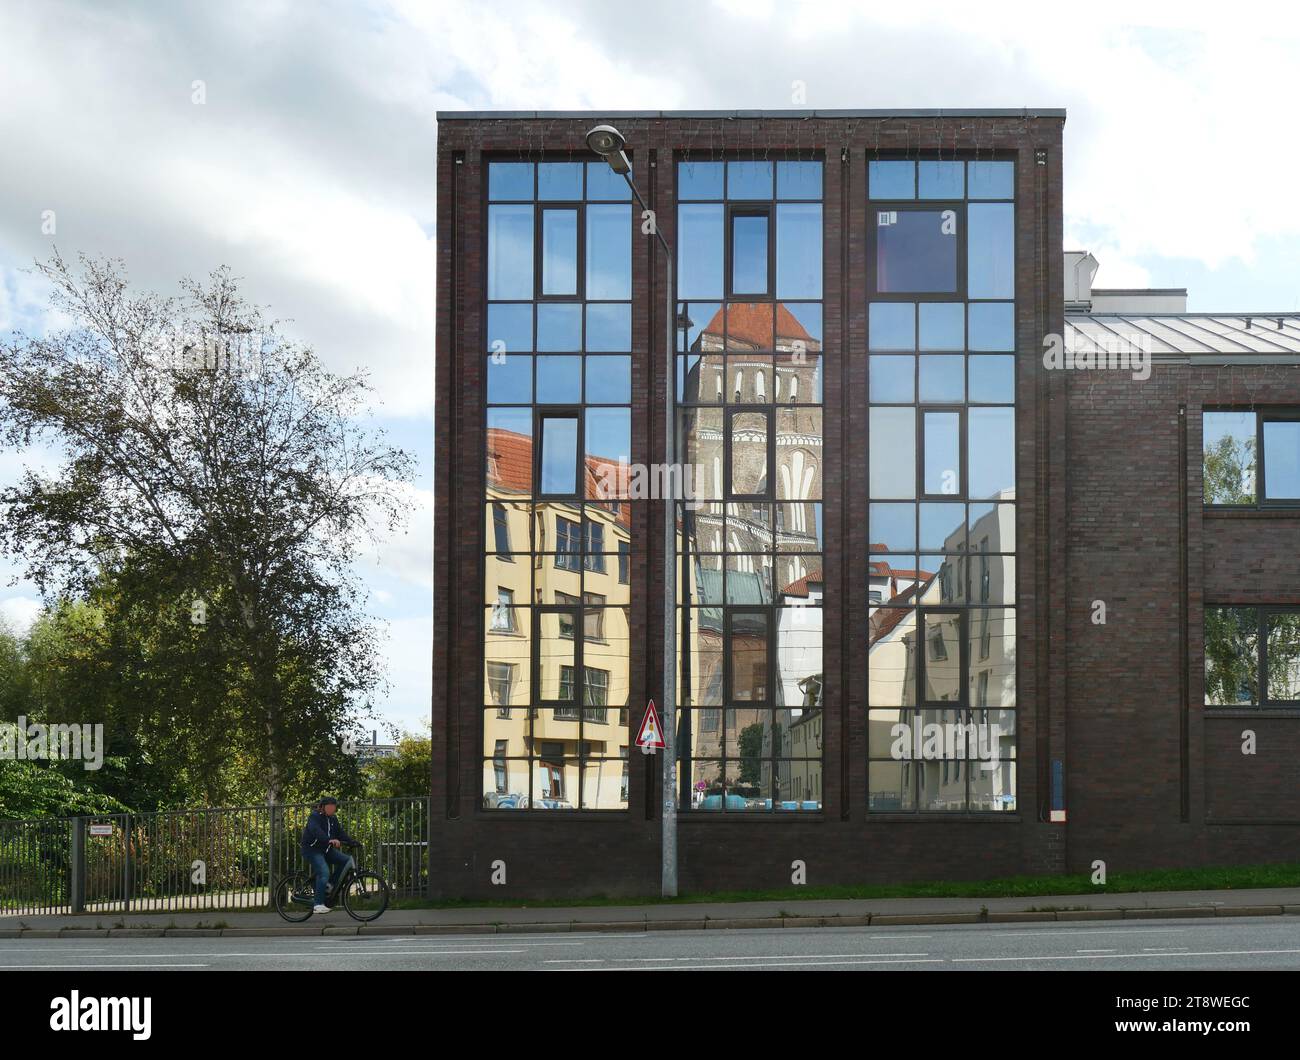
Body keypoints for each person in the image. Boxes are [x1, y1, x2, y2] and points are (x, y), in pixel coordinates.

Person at [300, 796, 357, 913]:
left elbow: (340, 833)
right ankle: (318, 904)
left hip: (326, 849)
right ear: (322, 807)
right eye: (329, 807)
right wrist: (328, 840)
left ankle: (329, 885)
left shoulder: (333, 819)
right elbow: (316, 830)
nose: (332, 809)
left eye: (334, 807)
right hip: (312, 850)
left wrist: (352, 842)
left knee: (346, 861)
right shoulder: (314, 817)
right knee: (324, 872)